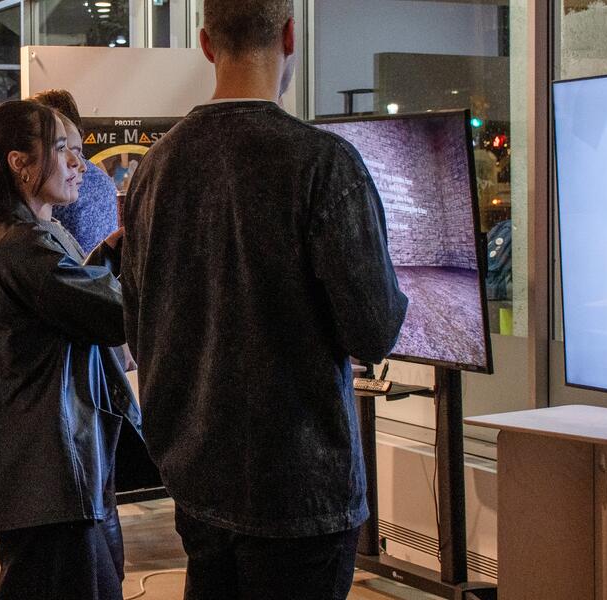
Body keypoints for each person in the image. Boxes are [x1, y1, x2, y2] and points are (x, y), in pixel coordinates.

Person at [119, 1, 409, 598]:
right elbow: (374, 331)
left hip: (195, 479)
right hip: (302, 491)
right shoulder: (323, 163)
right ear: (289, 34)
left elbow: (137, 325)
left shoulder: (154, 168)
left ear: (204, 44)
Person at [0, 102, 136, 599]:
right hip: (50, 478)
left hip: (35, 478)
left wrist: (110, 255)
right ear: (19, 162)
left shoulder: (6, 237)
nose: (78, 164)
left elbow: (69, 301)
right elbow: (112, 315)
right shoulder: (20, 244)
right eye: (63, 149)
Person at [31, 89, 120, 255]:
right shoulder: (25, 238)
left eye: (75, 151)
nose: (79, 165)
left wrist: (104, 254)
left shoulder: (46, 224)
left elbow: (76, 275)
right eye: (61, 148)